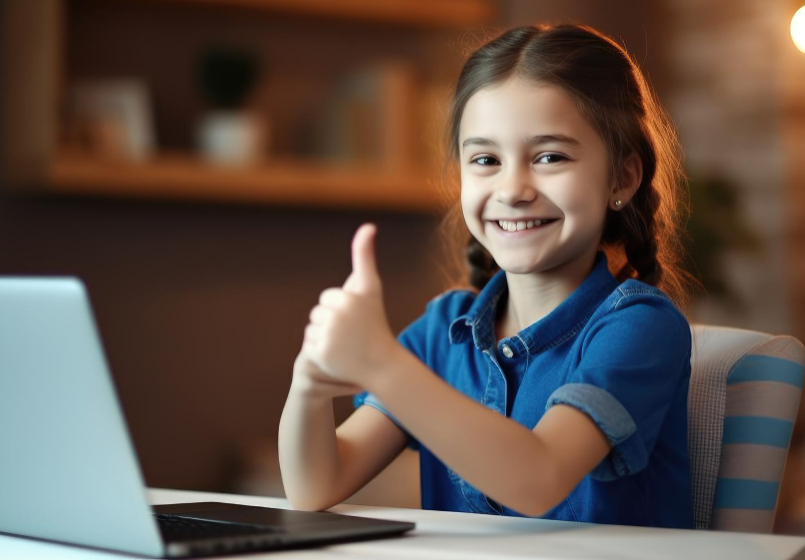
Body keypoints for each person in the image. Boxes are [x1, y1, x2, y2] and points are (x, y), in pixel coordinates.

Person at [278, 23, 699, 528]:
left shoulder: (639, 326)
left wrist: (381, 365)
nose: (512, 188)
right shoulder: (444, 331)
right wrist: (309, 381)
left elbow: (540, 477)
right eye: (485, 160)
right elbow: (315, 485)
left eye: (549, 157)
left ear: (622, 177)